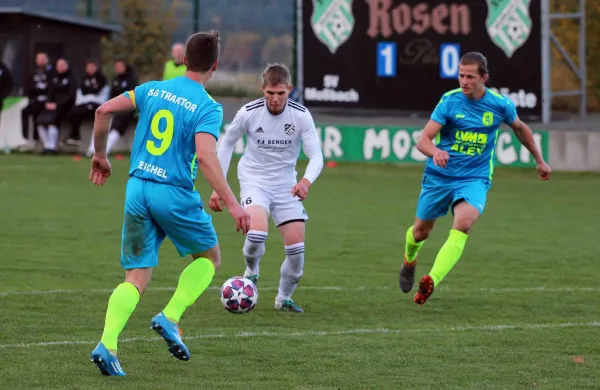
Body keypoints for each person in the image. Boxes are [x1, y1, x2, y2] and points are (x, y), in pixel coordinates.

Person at [88, 30, 250, 376]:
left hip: (137, 188)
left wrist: (100, 156)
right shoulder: (207, 106)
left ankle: (108, 343)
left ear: (184, 60)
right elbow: (206, 157)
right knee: (210, 257)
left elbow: (103, 111)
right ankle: (171, 316)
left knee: (135, 276)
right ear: (215, 66)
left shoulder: (151, 89)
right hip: (173, 192)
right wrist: (233, 203)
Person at [399, 52, 552, 305]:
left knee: (464, 223)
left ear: (484, 78)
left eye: (470, 76)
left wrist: (539, 159)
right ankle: (409, 260)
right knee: (420, 232)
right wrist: (436, 151)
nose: (464, 81)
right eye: (461, 75)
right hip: (440, 176)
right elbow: (423, 140)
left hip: (475, 177)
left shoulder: (499, 104)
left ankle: (431, 280)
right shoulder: (449, 102)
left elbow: (520, 128)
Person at [209, 63, 324, 313]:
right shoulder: (248, 112)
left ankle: (283, 300)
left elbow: (316, 156)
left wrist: (305, 181)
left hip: (286, 186)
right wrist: (219, 185)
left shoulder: (300, 115)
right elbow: (227, 144)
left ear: (289, 90)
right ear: (263, 89)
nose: (275, 99)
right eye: (270, 93)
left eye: (281, 93)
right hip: (254, 180)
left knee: (296, 251)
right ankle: (252, 270)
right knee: (257, 234)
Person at [86, 59, 139, 156]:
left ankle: (105, 151)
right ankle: (91, 150)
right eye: (116, 67)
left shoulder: (131, 80)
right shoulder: (115, 79)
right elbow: (111, 95)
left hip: (126, 111)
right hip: (114, 109)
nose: (118, 69)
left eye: (120, 66)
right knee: (99, 123)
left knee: (116, 128)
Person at [36, 58, 77, 154]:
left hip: (64, 107)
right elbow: (50, 92)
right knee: (40, 121)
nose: (61, 67)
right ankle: (47, 146)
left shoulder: (71, 78)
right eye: (59, 65)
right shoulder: (53, 78)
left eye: (63, 65)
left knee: (52, 122)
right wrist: (48, 102)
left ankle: (52, 146)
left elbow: (71, 96)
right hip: (51, 105)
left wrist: (58, 104)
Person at [64, 59, 108, 146]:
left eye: (92, 67)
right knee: (72, 114)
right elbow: (83, 91)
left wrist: (90, 91)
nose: (90, 69)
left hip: (97, 104)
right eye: (88, 67)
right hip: (85, 104)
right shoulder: (84, 78)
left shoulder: (102, 79)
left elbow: (97, 91)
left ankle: (94, 145)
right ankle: (75, 136)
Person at [21, 52, 53, 147]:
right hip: (35, 100)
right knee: (24, 112)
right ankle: (26, 137)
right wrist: (38, 90)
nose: (41, 61)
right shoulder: (32, 72)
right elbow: (28, 88)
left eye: (43, 59)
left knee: (37, 114)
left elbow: (51, 88)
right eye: (39, 59)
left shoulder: (51, 72)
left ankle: (36, 139)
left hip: (46, 102)